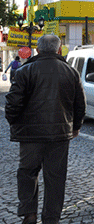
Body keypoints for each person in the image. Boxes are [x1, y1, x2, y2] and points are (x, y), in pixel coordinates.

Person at [5, 34, 86, 224]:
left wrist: (15, 123)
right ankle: (51, 218)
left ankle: (29, 212)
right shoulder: (70, 72)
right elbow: (79, 105)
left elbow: (13, 104)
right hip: (59, 135)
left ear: (37, 50)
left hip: (30, 135)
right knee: (55, 178)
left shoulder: (25, 71)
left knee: (27, 172)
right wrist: (75, 127)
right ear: (59, 50)